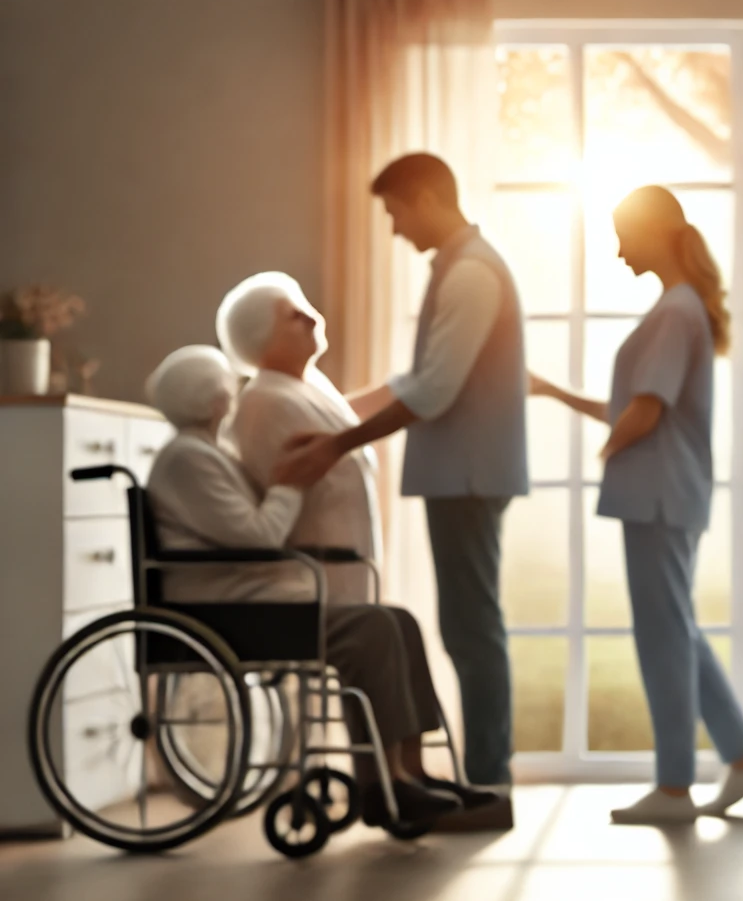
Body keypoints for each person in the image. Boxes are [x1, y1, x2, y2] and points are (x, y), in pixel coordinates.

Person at [282, 153, 529, 792]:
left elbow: (435, 391)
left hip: (467, 476)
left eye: (394, 211)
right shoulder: (460, 269)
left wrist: (336, 443)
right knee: (470, 625)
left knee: (472, 629)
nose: (394, 228)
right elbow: (417, 382)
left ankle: (488, 781)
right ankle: (484, 776)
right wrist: (335, 410)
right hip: (464, 473)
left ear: (423, 197)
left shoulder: (472, 274)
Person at [142, 345, 468, 826]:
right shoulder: (189, 459)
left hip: (247, 603)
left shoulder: (205, 454)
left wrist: (281, 482)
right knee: (375, 629)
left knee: (397, 621)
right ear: (217, 401)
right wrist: (290, 483)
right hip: (229, 613)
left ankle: (410, 771)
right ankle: (383, 782)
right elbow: (257, 536)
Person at [532, 186, 743, 823]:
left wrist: (611, 447)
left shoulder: (674, 311)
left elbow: (644, 409)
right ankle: (742, 760)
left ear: (658, 232)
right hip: (669, 493)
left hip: (658, 495)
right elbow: (633, 403)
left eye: (624, 236)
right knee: (677, 629)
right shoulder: (683, 308)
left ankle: (674, 787)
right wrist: (557, 394)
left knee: (661, 635)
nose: (617, 252)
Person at [217, 272, 378, 606]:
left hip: (349, 568)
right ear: (261, 336)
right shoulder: (266, 401)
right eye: (293, 314)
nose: (312, 316)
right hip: (317, 578)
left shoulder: (310, 387)